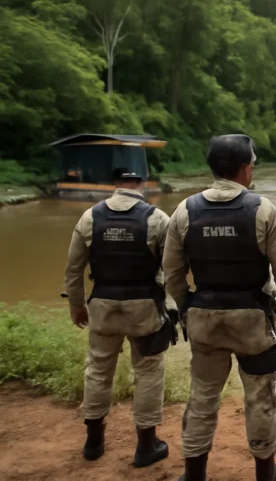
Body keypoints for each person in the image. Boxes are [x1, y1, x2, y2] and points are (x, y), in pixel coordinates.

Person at [163, 134, 276, 481]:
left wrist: (186, 307)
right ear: (245, 168)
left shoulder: (184, 210)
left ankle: (194, 474)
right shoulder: (264, 210)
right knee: (260, 397)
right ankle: (265, 473)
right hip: (253, 322)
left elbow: (172, 271)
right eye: (252, 163)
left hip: (204, 320)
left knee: (202, 396)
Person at [64, 168, 175, 468]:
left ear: (114, 184)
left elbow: (73, 270)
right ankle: (146, 446)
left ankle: (93, 443)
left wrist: (77, 306)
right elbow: (173, 268)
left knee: (98, 370)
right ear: (142, 183)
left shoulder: (89, 217)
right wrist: (172, 305)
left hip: (103, 305)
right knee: (148, 371)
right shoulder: (157, 218)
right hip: (144, 307)